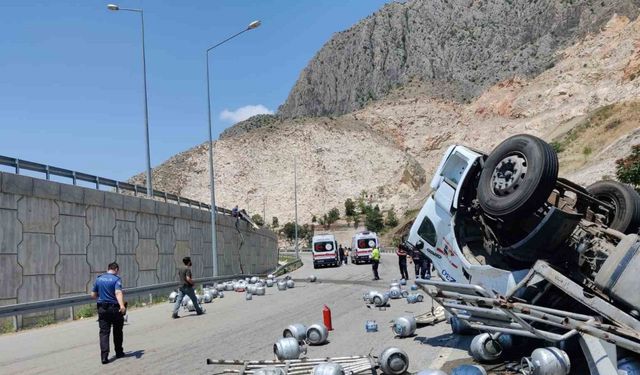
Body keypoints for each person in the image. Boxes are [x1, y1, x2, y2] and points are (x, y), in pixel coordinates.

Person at [91, 261, 126, 364]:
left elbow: (93, 295)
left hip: (102, 308)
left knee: (104, 332)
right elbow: (118, 292)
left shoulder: (99, 279)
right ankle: (119, 352)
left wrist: (102, 297)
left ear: (108, 269)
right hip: (114, 308)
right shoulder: (116, 279)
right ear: (116, 269)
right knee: (117, 330)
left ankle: (104, 357)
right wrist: (122, 306)